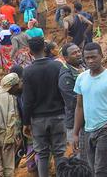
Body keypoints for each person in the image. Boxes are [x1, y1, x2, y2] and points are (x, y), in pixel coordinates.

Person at [72, 42, 107, 177]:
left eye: (93, 57)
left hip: (106, 128)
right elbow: (79, 106)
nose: (90, 61)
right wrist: (76, 133)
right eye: (87, 58)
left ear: (101, 56)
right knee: (92, 169)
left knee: (100, 170)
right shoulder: (81, 78)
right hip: (88, 130)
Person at [21, 36, 67, 177]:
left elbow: (27, 100)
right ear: (44, 48)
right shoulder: (57, 66)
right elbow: (63, 91)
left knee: (42, 154)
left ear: (30, 51)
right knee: (59, 152)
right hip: (59, 116)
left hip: (38, 119)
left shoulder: (28, 71)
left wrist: (26, 122)